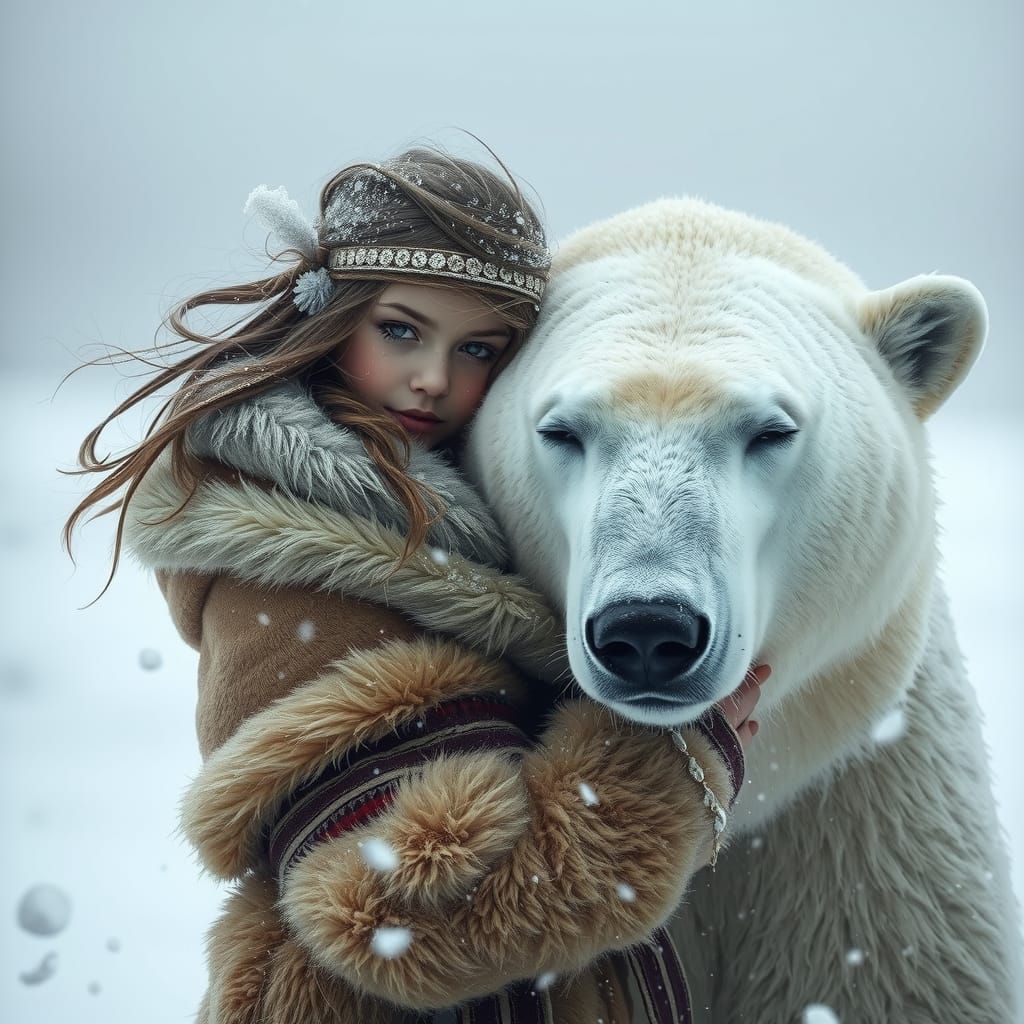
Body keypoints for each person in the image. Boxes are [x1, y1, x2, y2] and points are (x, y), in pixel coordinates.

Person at [64, 146, 766, 1024]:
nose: (435, 377)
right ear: (331, 316)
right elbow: (406, 913)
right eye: (401, 330)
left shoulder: (444, 538)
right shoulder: (290, 583)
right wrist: (663, 765)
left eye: (477, 348)